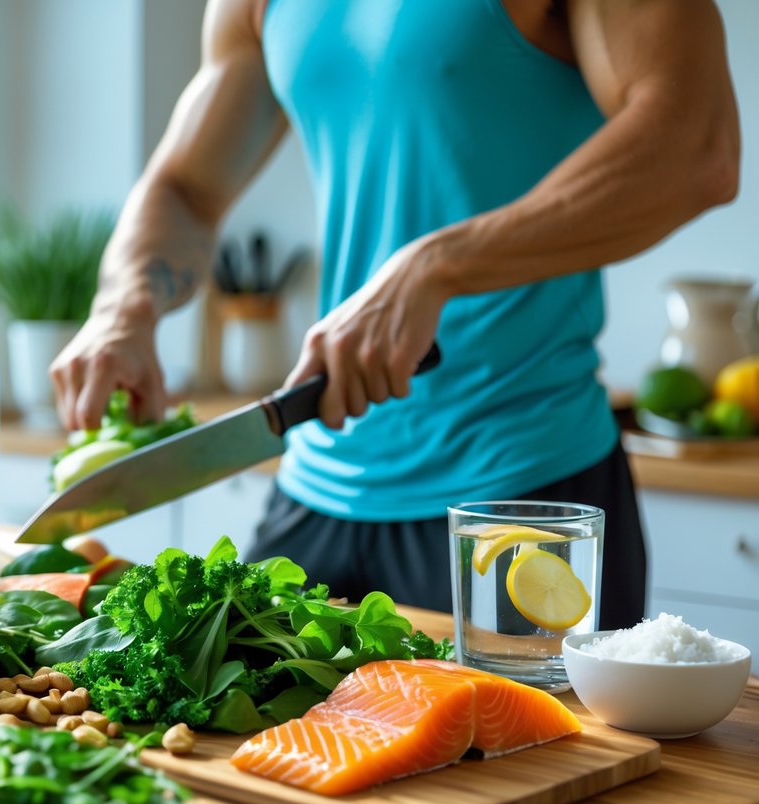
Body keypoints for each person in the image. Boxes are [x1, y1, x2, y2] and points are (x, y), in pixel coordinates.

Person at [48, 0, 740, 630]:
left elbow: (693, 146)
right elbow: (185, 188)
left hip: (517, 488)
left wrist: (436, 264)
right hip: (317, 475)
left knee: (520, 772)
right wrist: (123, 307)